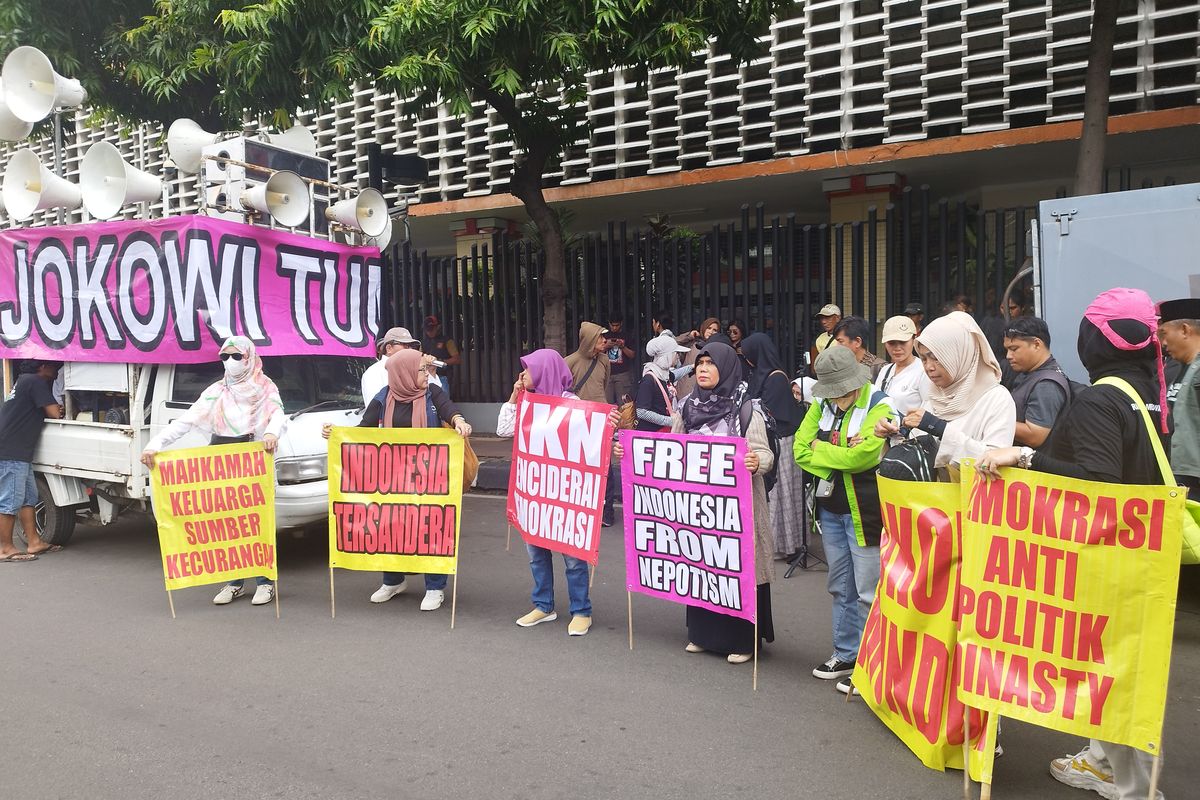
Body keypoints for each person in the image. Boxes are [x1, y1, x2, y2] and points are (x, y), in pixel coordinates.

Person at [976, 288, 1170, 800]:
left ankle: (1131, 783)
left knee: (1115, 667)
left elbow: (1098, 482)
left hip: (1109, 554)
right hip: (1144, 551)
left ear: (1095, 340)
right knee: (1125, 663)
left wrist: (1024, 459)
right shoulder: (1149, 389)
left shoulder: (1103, 398)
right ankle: (1107, 759)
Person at [141, 337, 284, 605]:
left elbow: (277, 413)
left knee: (254, 522)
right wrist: (154, 446)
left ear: (249, 357)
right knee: (225, 523)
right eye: (225, 356)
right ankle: (234, 582)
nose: (230, 362)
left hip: (252, 458)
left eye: (237, 356)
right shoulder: (217, 391)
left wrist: (273, 432)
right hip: (219, 460)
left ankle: (265, 582)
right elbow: (186, 421)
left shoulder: (265, 387)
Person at [327, 349, 472, 611]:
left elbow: (449, 410)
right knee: (390, 526)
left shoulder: (433, 394)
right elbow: (363, 431)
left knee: (430, 529)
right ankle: (392, 580)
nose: (426, 374)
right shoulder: (384, 397)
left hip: (430, 479)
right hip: (392, 479)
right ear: (402, 373)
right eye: (420, 370)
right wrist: (337, 434)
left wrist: (459, 421)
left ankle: (435, 587)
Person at [794, 346, 896, 694]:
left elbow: (863, 458)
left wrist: (823, 450)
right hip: (830, 509)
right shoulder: (821, 404)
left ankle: (872, 664)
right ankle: (846, 653)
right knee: (840, 586)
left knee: (869, 591)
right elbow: (799, 449)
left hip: (865, 511)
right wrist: (843, 453)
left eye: (841, 390)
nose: (836, 398)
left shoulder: (880, 404)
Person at [496, 349, 619, 636]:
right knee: (535, 552)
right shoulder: (528, 402)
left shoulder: (571, 403)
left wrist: (608, 424)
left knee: (573, 557)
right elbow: (503, 429)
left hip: (565, 494)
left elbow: (594, 433)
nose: (522, 375)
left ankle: (581, 610)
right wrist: (515, 396)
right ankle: (543, 605)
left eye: (527, 370)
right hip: (536, 492)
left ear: (544, 371)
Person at [672, 342, 775, 663]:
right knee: (703, 566)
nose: (702, 368)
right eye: (699, 363)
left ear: (727, 367)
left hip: (737, 512)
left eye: (710, 363)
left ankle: (742, 641)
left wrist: (757, 461)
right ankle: (702, 635)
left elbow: (766, 454)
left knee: (737, 567)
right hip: (700, 510)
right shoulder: (687, 406)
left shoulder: (747, 408)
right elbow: (671, 449)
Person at [875, 311, 1015, 472]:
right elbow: (923, 450)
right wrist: (897, 431)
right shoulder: (935, 395)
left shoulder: (997, 399)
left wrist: (940, 429)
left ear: (960, 353)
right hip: (929, 495)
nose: (929, 367)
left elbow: (995, 460)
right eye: (925, 359)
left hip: (967, 496)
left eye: (936, 357)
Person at [740, 333, 806, 559]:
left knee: (782, 493)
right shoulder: (761, 375)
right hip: (770, 442)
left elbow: (772, 414)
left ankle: (786, 545)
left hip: (782, 443)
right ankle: (775, 543)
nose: (747, 359)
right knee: (774, 494)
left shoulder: (775, 378)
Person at [0, 360, 64, 563]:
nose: (57, 370)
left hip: (19, 450)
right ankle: (5, 548)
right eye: (53, 366)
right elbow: (54, 412)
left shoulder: (24, 381)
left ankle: (34, 541)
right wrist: (59, 408)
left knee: (29, 497)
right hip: (12, 451)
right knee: (10, 500)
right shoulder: (35, 381)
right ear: (42, 367)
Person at [566, 321, 618, 525]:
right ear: (588, 340)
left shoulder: (605, 360)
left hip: (601, 419)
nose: (605, 340)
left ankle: (607, 512)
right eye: (600, 337)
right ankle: (583, 507)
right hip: (578, 422)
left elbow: (603, 386)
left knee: (605, 467)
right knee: (580, 467)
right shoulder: (569, 361)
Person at [1003, 316, 1070, 448]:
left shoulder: (1046, 385)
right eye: (1007, 350)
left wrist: (992, 420)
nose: (1008, 356)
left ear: (1036, 344)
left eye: (1014, 349)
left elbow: (1035, 436)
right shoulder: (1030, 374)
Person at [1159, 298, 1200, 498]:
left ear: (1184, 330)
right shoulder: (1178, 370)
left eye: (1164, 334)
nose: (1163, 343)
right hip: (1179, 477)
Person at [874, 315, 930, 415]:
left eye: (903, 342)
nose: (897, 348)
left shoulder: (924, 371)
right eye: (891, 343)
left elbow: (928, 411)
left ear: (914, 339)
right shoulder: (885, 370)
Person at [634, 333, 689, 432]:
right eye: (675, 353)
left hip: (663, 431)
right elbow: (641, 412)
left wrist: (693, 367)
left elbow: (675, 375)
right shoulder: (649, 380)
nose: (678, 357)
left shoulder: (665, 375)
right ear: (667, 355)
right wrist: (669, 421)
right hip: (650, 434)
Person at [361, 326, 421, 405]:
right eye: (405, 345)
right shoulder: (374, 372)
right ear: (389, 348)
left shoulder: (413, 368)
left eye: (411, 346)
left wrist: (431, 372)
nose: (409, 349)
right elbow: (375, 408)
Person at [676, 316, 722, 398]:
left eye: (715, 330)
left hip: (703, 390)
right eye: (709, 328)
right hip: (685, 388)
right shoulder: (693, 343)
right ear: (704, 328)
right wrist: (689, 336)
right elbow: (674, 343)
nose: (711, 331)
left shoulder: (717, 348)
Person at [421, 315, 461, 394]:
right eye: (428, 330)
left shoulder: (447, 341)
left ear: (437, 327)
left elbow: (457, 359)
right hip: (427, 377)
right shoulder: (423, 342)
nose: (429, 332)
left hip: (443, 376)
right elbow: (419, 358)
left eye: (432, 329)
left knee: (443, 402)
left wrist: (440, 361)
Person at [605, 313, 638, 407]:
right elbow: (596, 353)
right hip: (607, 374)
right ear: (609, 324)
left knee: (624, 405)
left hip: (623, 374)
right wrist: (606, 346)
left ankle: (624, 422)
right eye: (613, 325)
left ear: (621, 324)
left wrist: (623, 347)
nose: (615, 328)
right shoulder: (604, 336)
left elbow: (632, 355)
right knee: (607, 404)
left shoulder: (627, 336)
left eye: (617, 325)